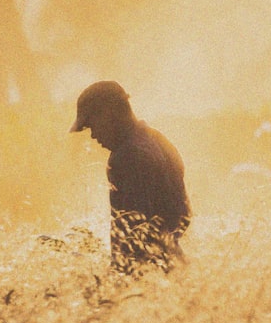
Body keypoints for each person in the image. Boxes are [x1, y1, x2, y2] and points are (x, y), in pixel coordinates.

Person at [70, 81, 191, 273]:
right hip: (174, 266)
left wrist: (116, 283)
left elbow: (132, 236)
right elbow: (183, 217)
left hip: (148, 278)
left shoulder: (126, 157)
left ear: (109, 114)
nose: (93, 135)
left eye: (92, 124)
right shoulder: (159, 141)